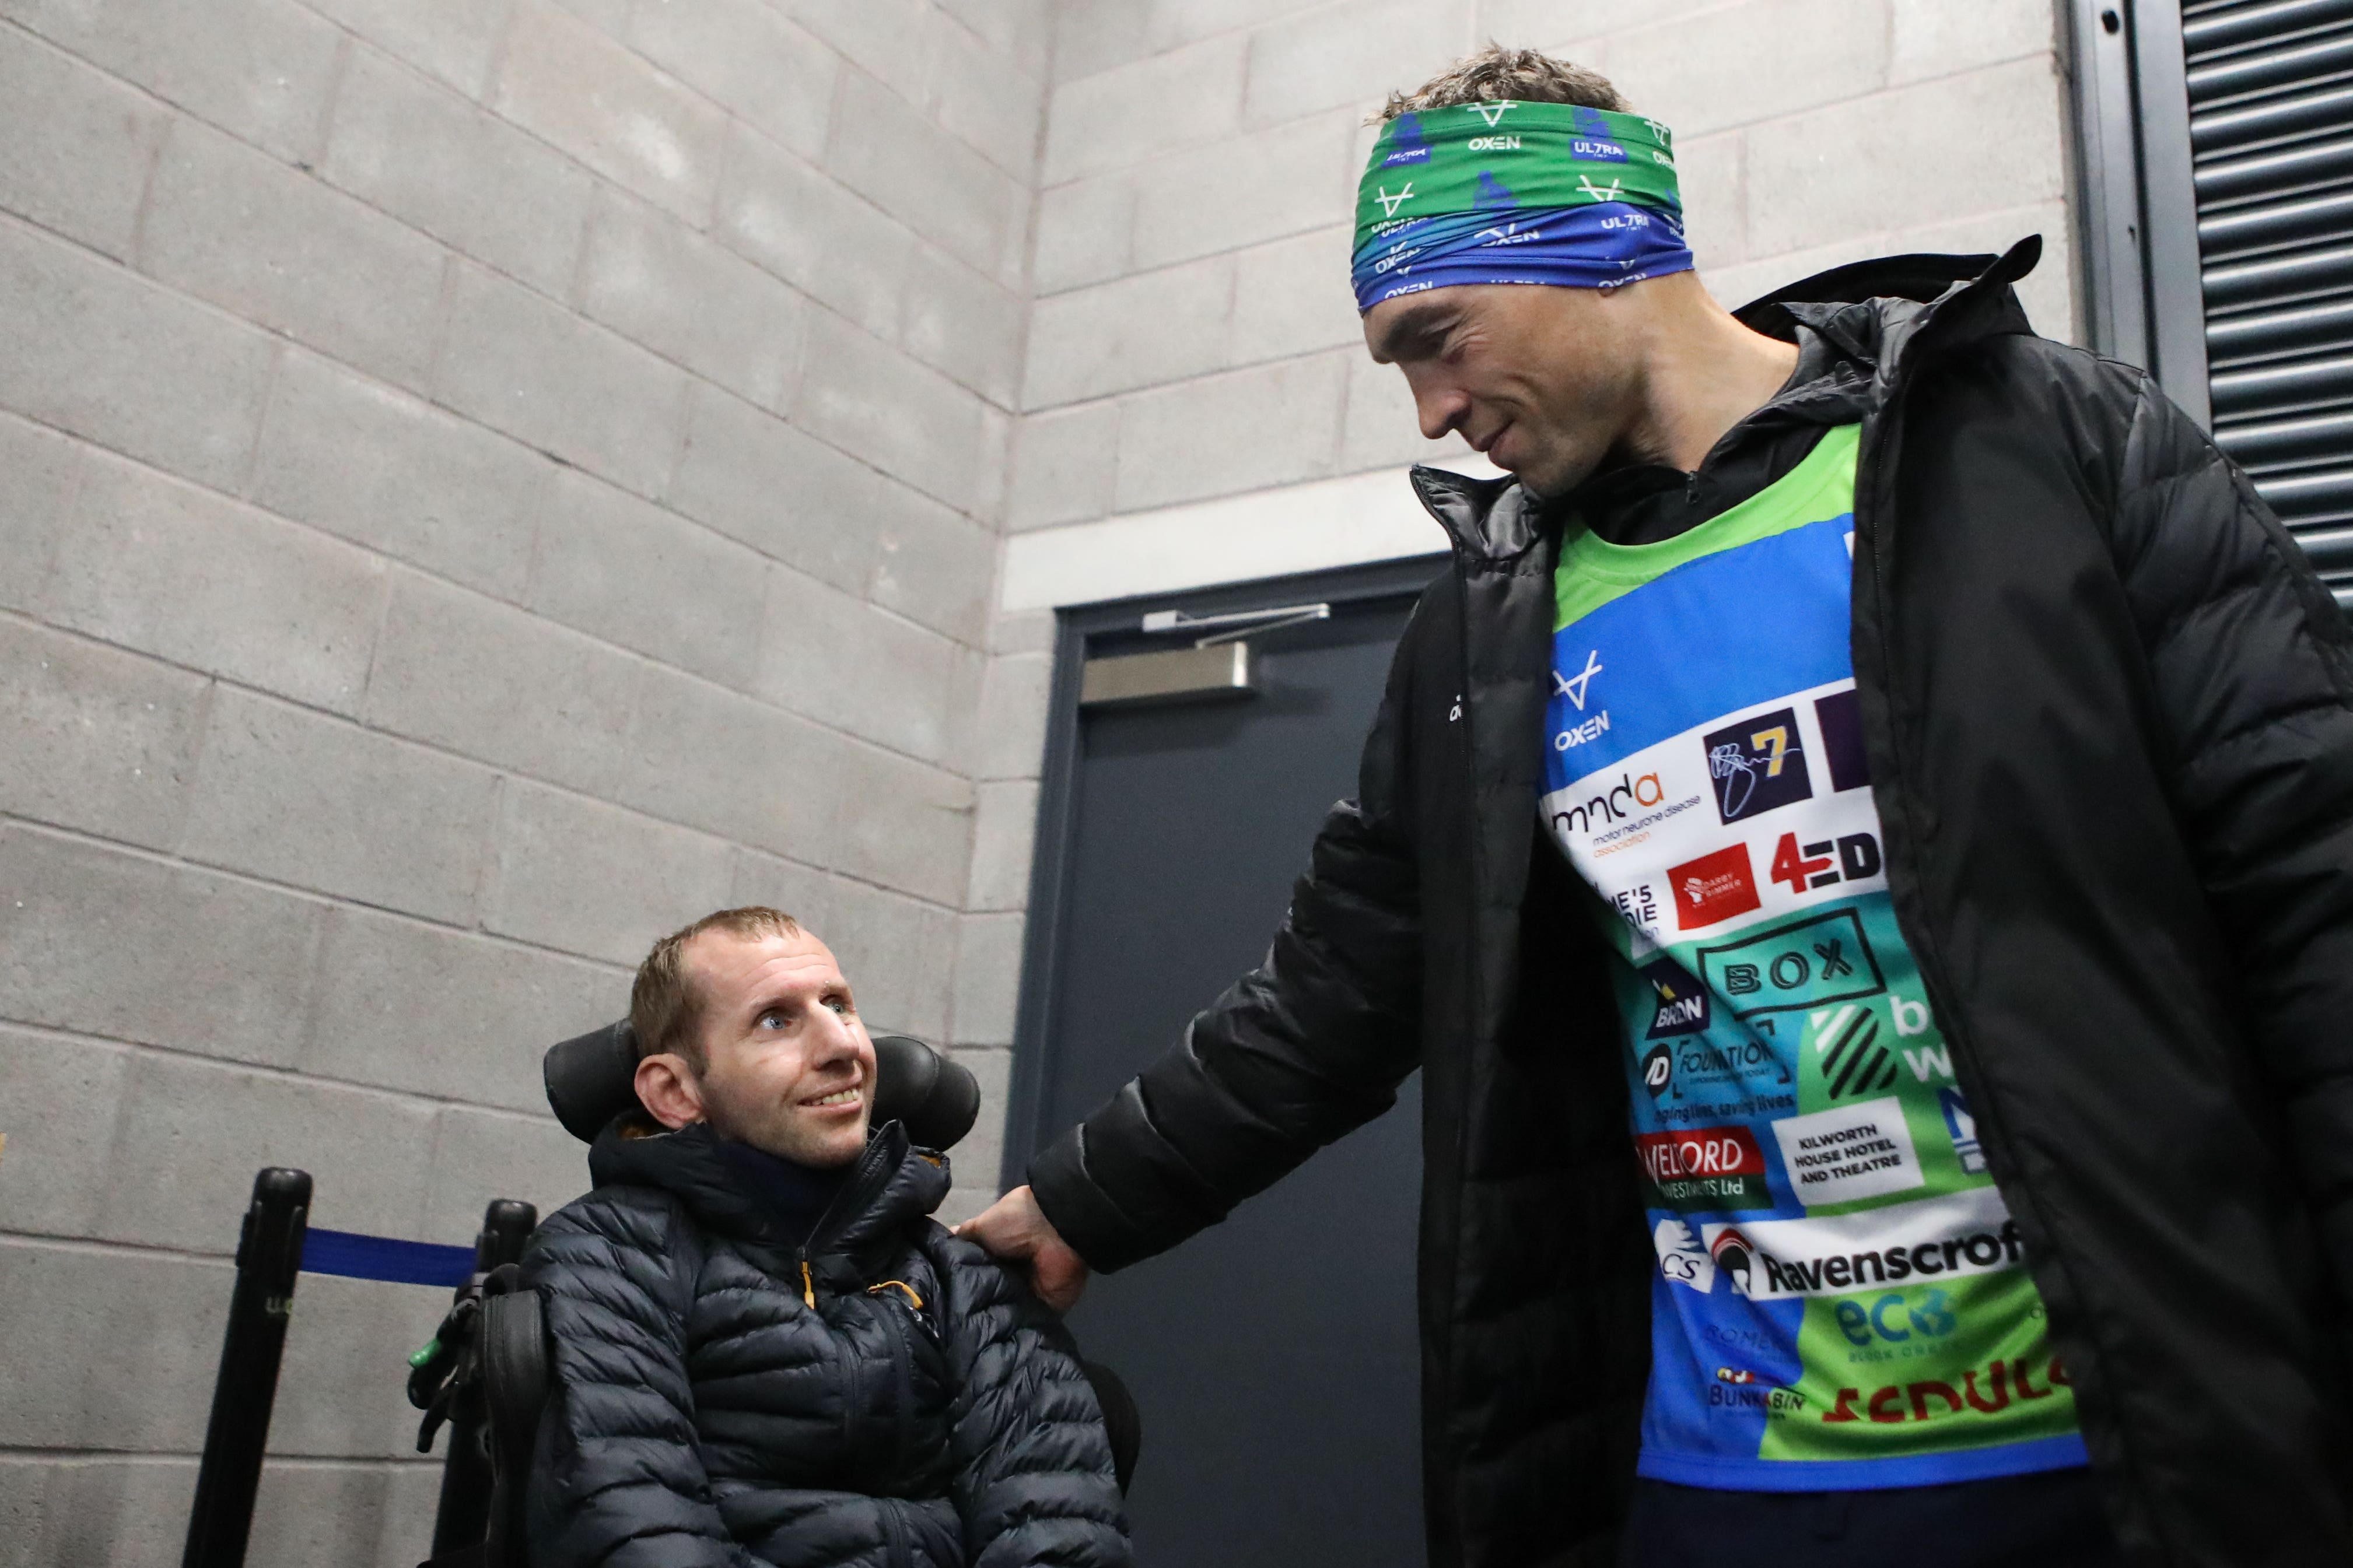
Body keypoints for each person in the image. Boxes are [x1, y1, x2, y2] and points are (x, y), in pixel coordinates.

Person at [958, 45, 2353, 1568]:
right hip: (1724, 1492)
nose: (1431, 410)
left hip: (2135, 1450)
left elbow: (2312, 885)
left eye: (1439, 335)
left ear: (1602, 244)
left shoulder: (2042, 448)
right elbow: (1330, 997)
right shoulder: (1485, 637)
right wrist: (1080, 1202)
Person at [520, 906, 1131, 1568]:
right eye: (776, 1020)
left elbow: (1059, 1526)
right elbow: (633, 1525)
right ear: (675, 1089)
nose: (842, 1046)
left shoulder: (960, 1276)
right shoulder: (608, 1260)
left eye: (838, 1005)